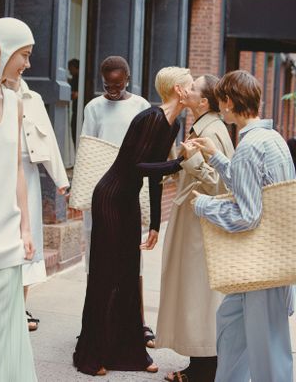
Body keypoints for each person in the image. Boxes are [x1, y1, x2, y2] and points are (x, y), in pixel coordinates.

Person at [73, 66, 194, 376]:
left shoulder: (173, 122)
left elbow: (153, 175)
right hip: (110, 197)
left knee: (128, 274)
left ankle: (129, 354)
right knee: (106, 275)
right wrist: (180, 162)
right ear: (178, 90)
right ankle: (91, 355)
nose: (194, 90)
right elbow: (139, 165)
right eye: (190, 85)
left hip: (127, 200)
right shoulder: (150, 118)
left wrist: (154, 223)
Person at [186, 70, 295, 382]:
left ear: (229, 102)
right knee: (231, 322)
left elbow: (248, 215)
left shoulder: (249, 147)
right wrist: (218, 158)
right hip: (270, 258)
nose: (221, 108)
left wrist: (203, 205)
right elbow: (254, 188)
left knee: (267, 349)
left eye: (222, 101)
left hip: (260, 264)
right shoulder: (272, 138)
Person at [156, 74, 234, 382]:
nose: (184, 90)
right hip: (193, 221)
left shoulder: (211, 132)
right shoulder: (205, 126)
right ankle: (197, 365)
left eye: (191, 88)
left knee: (198, 296)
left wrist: (188, 160)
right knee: (193, 295)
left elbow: (218, 183)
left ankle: (204, 369)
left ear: (203, 102)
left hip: (200, 225)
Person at [0, 17, 37, 381]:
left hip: (5, 238)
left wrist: (26, 227)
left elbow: (16, 167)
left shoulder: (15, 102)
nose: (28, 64)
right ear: (1, 50)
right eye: (24, 54)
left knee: (2, 337)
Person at [80, 55, 154, 345]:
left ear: (128, 79)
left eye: (118, 84)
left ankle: (139, 324)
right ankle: (95, 325)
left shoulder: (141, 106)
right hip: (101, 192)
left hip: (130, 191)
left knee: (133, 263)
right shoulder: (93, 108)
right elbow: (88, 150)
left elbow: (149, 150)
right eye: (107, 85)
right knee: (97, 263)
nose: (112, 90)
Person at [5, 77, 69, 331]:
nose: (27, 65)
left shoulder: (32, 98)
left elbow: (49, 140)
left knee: (27, 243)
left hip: (27, 176)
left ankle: (19, 308)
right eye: (24, 56)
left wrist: (61, 180)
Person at [68, 58, 79, 147]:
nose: (69, 71)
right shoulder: (74, 78)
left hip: (78, 111)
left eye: (70, 68)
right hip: (76, 110)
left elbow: (76, 94)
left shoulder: (78, 78)